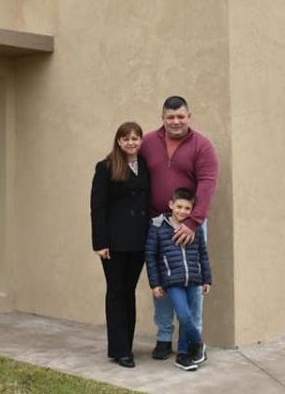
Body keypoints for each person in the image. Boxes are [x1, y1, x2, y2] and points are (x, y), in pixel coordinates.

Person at [140, 95, 218, 361]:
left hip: (190, 226)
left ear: (189, 116)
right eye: (170, 117)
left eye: (180, 116)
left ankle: (193, 341)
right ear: (162, 117)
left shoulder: (202, 145)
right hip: (158, 225)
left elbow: (207, 183)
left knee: (192, 287)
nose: (175, 122)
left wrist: (193, 222)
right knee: (161, 284)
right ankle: (164, 338)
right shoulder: (148, 142)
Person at [90, 121, 151, 368]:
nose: (131, 142)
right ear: (118, 141)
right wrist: (100, 242)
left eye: (135, 138)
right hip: (114, 243)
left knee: (129, 291)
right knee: (116, 292)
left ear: (141, 141)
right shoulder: (105, 167)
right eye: (126, 138)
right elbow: (98, 207)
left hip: (138, 241)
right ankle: (119, 350)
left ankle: (127, 343)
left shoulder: (145, 165)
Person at [145, 188, 212, 371]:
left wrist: (207, 278)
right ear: (171, 205)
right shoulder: (158, 226)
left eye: (187, 208)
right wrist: (155, 283)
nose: (182, 211)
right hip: (172, 281)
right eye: (179, 207)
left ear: (192, 210)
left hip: (194, 279)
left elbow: (203, 254)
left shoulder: (195, 228)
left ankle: (182, 356)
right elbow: (151, 256)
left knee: (187, 317)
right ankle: (198, 343)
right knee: (183, 314)